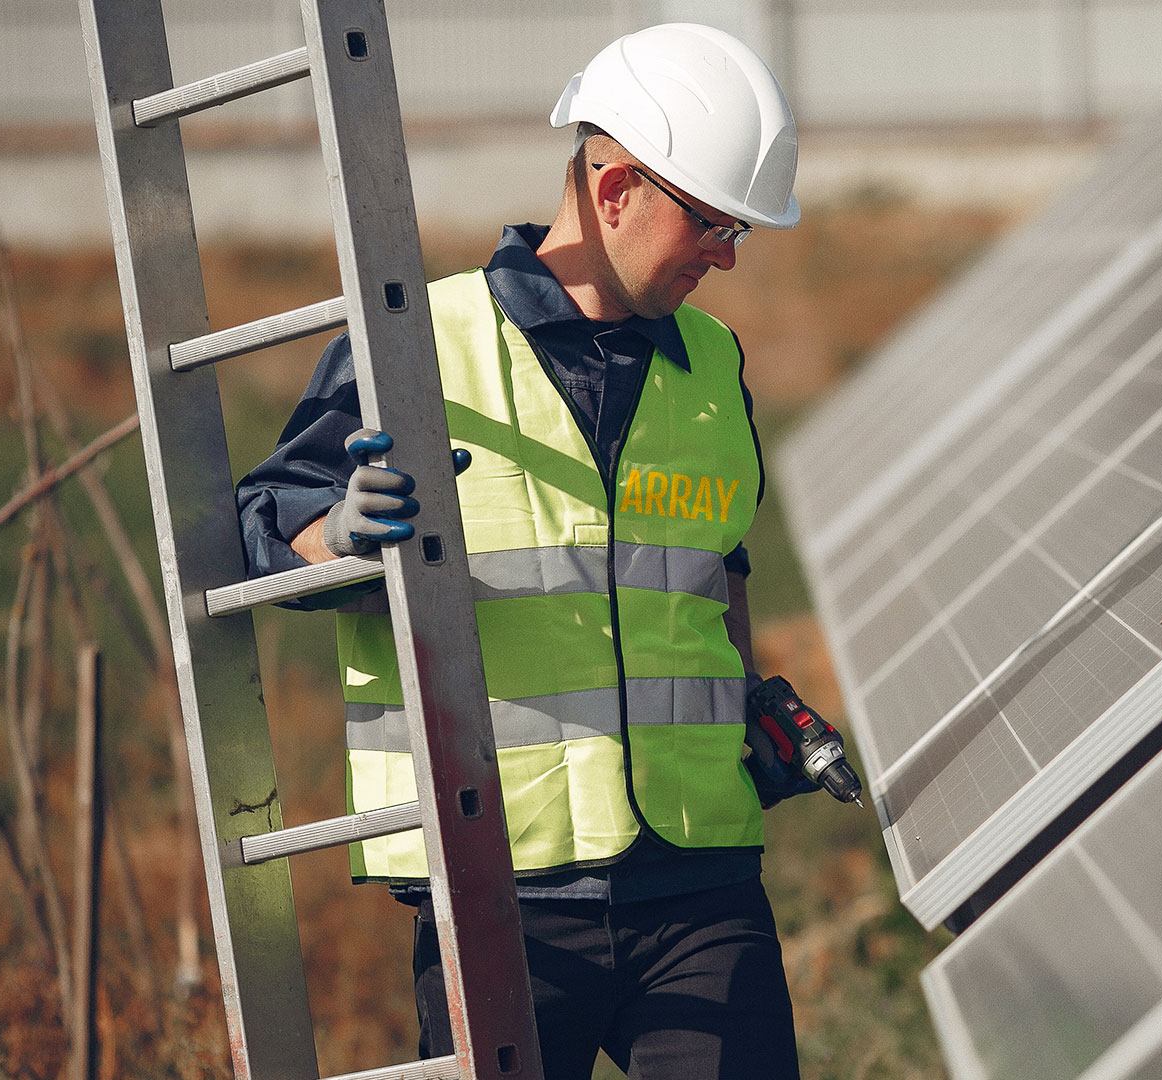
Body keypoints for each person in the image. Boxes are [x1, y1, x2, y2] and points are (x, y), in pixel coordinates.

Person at [236, 23, 808, 1080]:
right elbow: (264, 521)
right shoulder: (417, 347)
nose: (727, 256)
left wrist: (745, 696)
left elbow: (718, 567)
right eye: (714, 223)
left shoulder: (715, 364)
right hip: (495, 888)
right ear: (618, 188)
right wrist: (334, 536)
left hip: (698, 882)